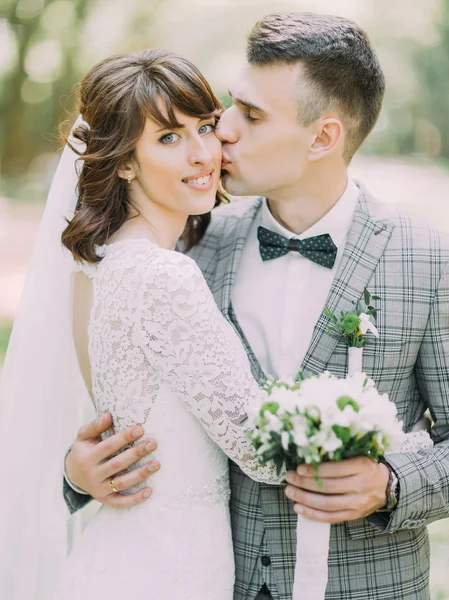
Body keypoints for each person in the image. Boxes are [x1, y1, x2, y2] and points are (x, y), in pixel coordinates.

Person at [64, 12, 449, 600]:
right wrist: (81, 475)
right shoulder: (192, 241)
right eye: (228, 109)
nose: (222, 134)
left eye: (251, 115)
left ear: (322, 137)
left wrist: (392, 483)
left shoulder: (425, 258)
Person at [0, 49, 288, 600]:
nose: (204, 153)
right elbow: (258, 449)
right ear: (124, 162)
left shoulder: (93, 269)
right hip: (165, 568)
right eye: (169, 138)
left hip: (125, 554)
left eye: (205, 127)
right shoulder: (163, 275)